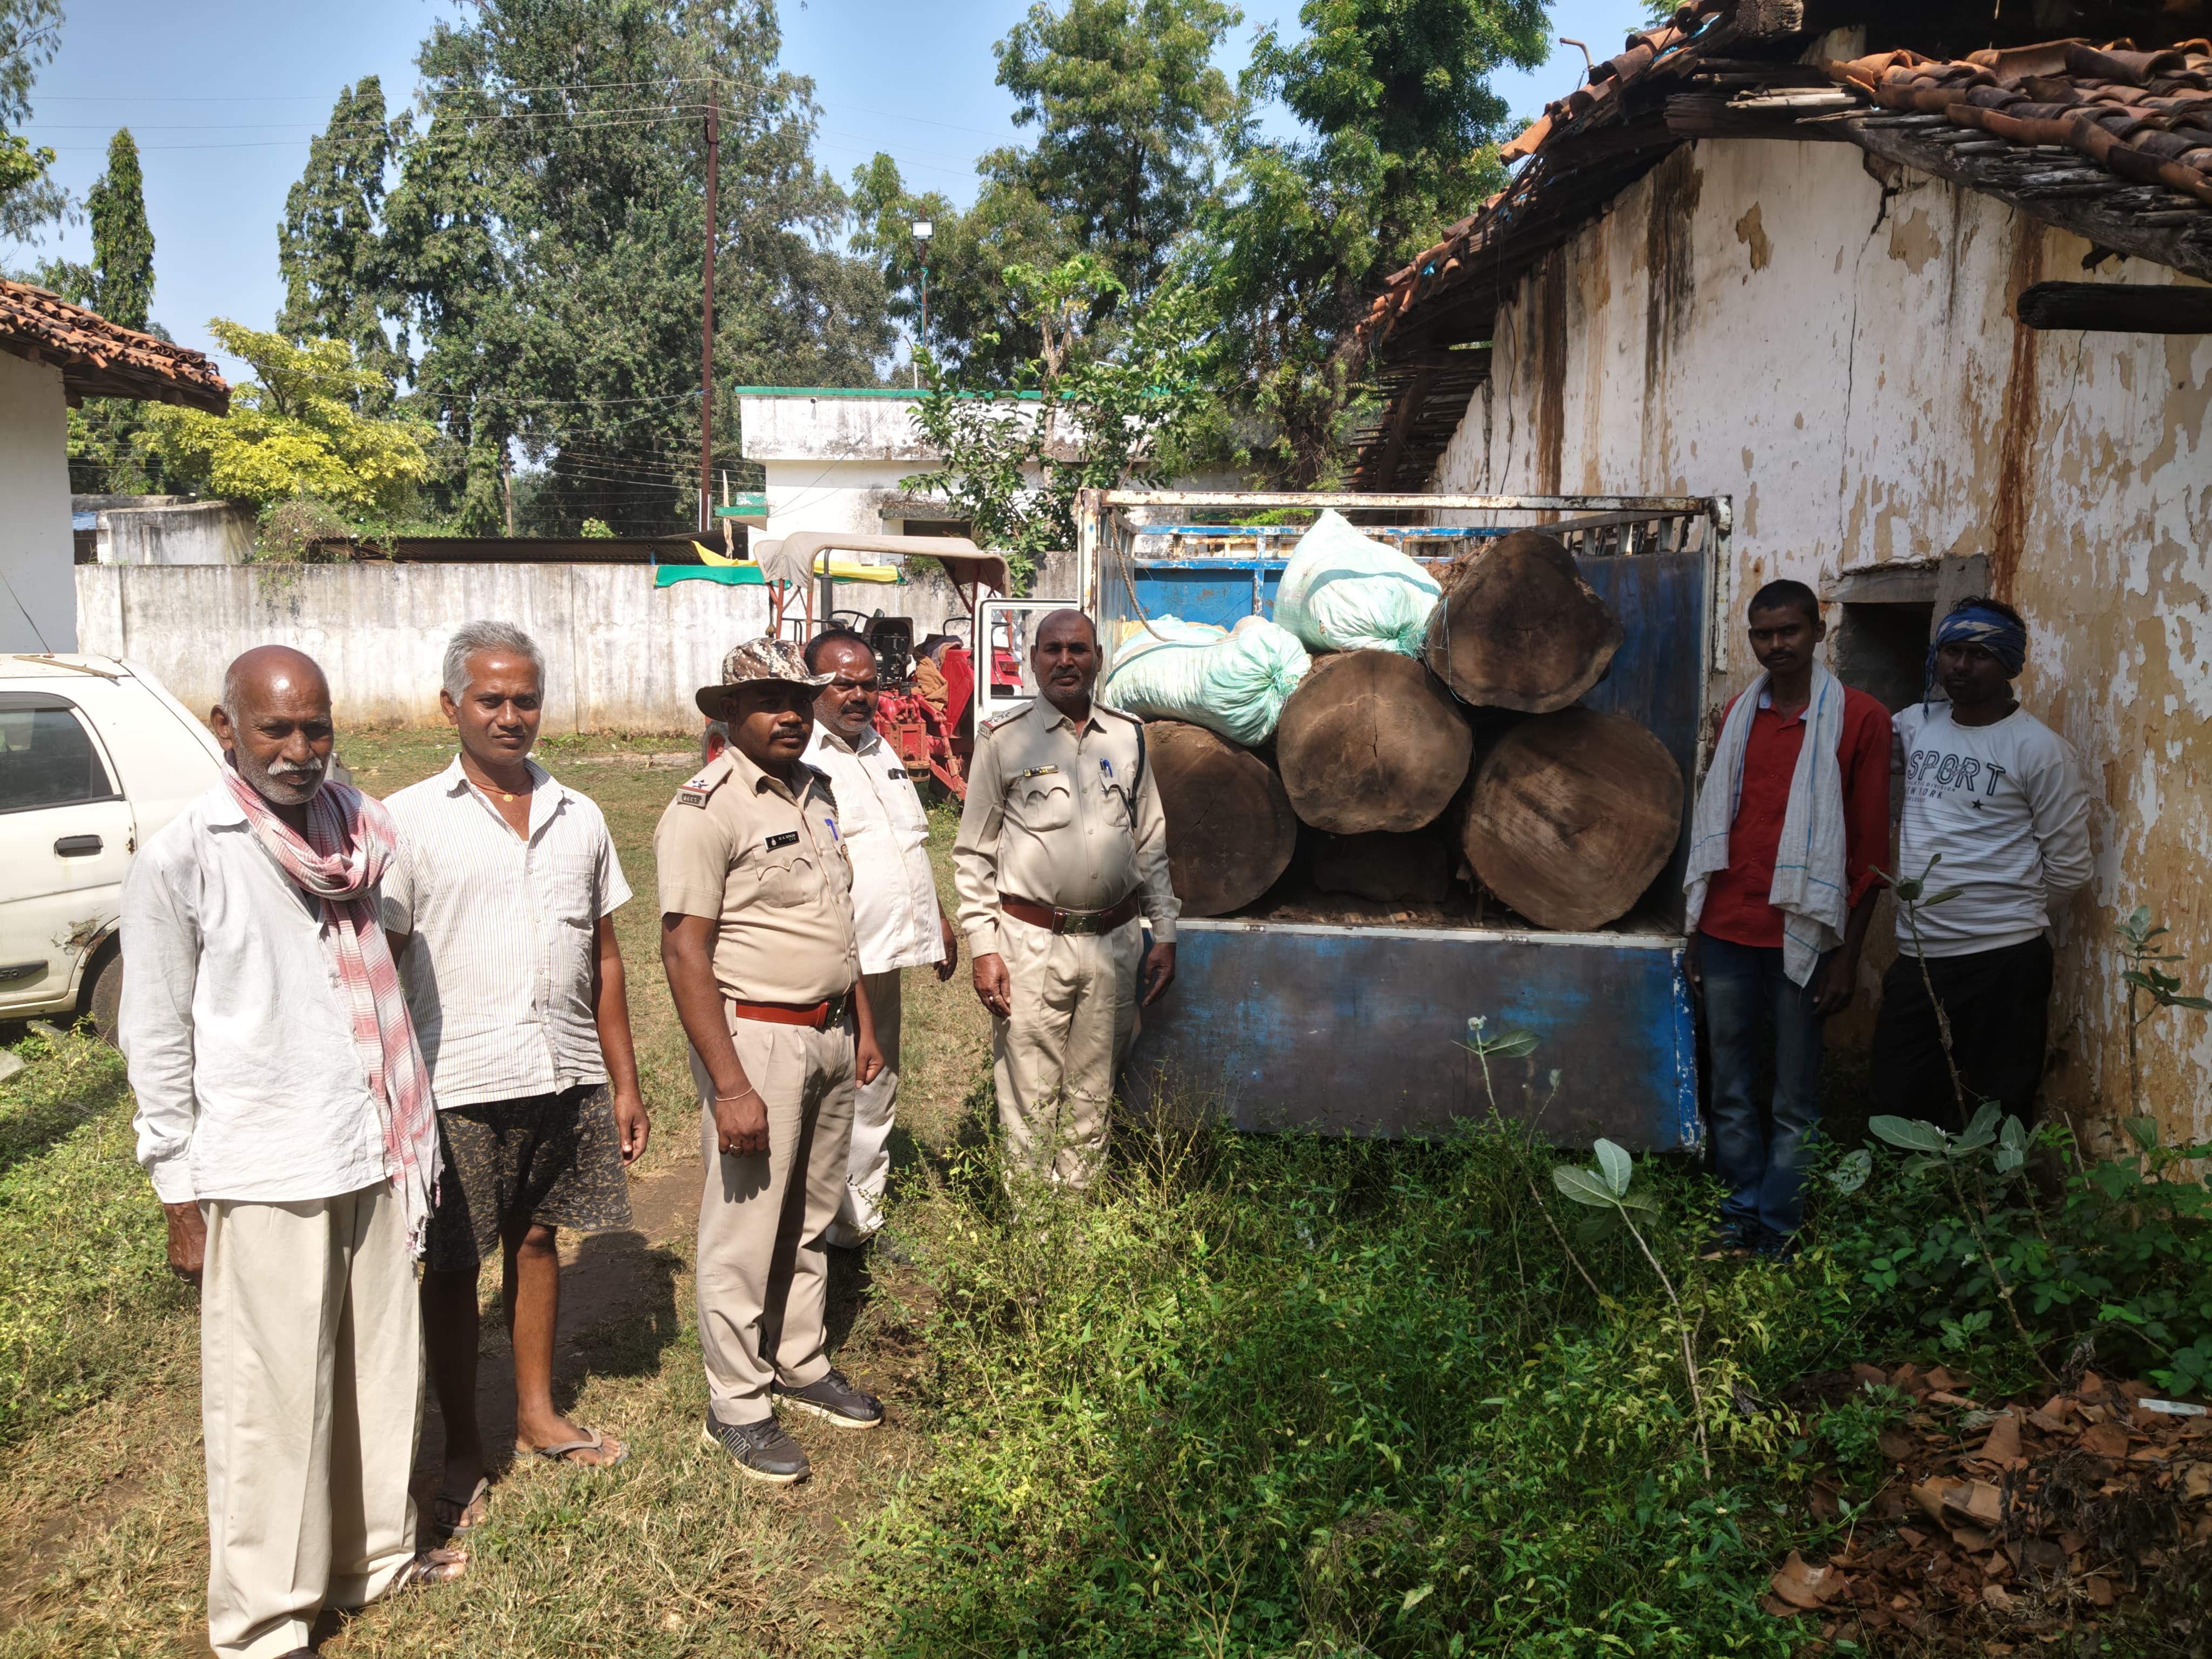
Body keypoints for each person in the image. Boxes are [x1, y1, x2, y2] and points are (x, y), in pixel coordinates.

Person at [121, 645, 462, 1659]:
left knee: (375, 1375)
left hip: (371, 1145)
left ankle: (373, 1562)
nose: (301, 748)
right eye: (276, 728)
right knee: (270, 1405)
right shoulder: (188, 853)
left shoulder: (362, 832)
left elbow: (392, 979)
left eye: (316, 727)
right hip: (262, 1161)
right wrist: (179, 1190)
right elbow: (156, 1035)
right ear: (226, 728)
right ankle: (267, 1617)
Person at [381, 622, 650, 1543]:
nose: (510, 715)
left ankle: (536, 1414)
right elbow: (380, 963)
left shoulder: (581, 814)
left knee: (537, 1239)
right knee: (453, 1266)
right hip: (455, 1078)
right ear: (450, 706)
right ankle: (461, 1444)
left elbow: (606, 958)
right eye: (490, 699)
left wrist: (624, 1078)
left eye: (524, 698)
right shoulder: (407, 821)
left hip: (562, 1065)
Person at [657, 638, 887, 1485]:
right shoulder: (707, 807)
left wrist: (860, 1020)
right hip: (755, 1038)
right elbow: (684, 952)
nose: (789, 713)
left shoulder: (816, 792)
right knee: (746, 1226)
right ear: (726, 713)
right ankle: (738, 1402)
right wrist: (729, 1085)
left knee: (815, 1211)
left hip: (827, 1032)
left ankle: (799, 1359)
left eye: (798, 696)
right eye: (766, 699)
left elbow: (840, 918)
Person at [1684, 580, 1892, 1253]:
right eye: (1762, 634)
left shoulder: (1859, 719)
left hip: (1804, 932)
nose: (1775, 646)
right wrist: (1693, 931)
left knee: (1794, 1097)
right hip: (1724, 928)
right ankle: (1737, 1215)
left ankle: (1779, 1229)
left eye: (1789, 632)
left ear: (1818, 631)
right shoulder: (1736, 716)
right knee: (1732, 1088)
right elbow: (1718, 821)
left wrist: (1848, 956)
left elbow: (1868, 853)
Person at [952, 609, 1179, 1188]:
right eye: (1051, 650)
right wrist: (983, 948)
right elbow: (974, 853)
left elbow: (1149, 839)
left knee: (1092, 1092)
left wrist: (1166, 933)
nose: (1065, 661)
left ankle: (1074, 1227)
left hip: (1113, 943)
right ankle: (1034, 1242)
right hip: (1030, 944)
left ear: (1098, 658)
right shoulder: (1004, 740)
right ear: (1032, 661)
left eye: (1077, 649)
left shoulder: (1127, 736)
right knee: (1028, 1095)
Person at [1871, 597, 2092, 1128]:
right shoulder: (1914, 724)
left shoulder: (2039, 749)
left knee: (1997, 1102)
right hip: (1919, 953)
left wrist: (2004, 914)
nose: (1961, 666)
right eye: (1951, 651)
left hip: (2004, 959)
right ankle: (1912, 1203)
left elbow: (2069, 865)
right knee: (1897, 1095)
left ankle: (1994, 1203)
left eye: (1980, 654)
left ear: (2010, 664)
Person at [800, 628, 959, 1254]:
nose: (859, 694)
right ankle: (810, 1227)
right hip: (830, 964)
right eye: (843, 683)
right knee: (828, 1092)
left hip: (885, 955)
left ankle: (856, 1223)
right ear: (813, 686)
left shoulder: (879, 747)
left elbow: (906, 842)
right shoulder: (802, 757)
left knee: (875, 1084)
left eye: (868, 683)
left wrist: (938, 918)